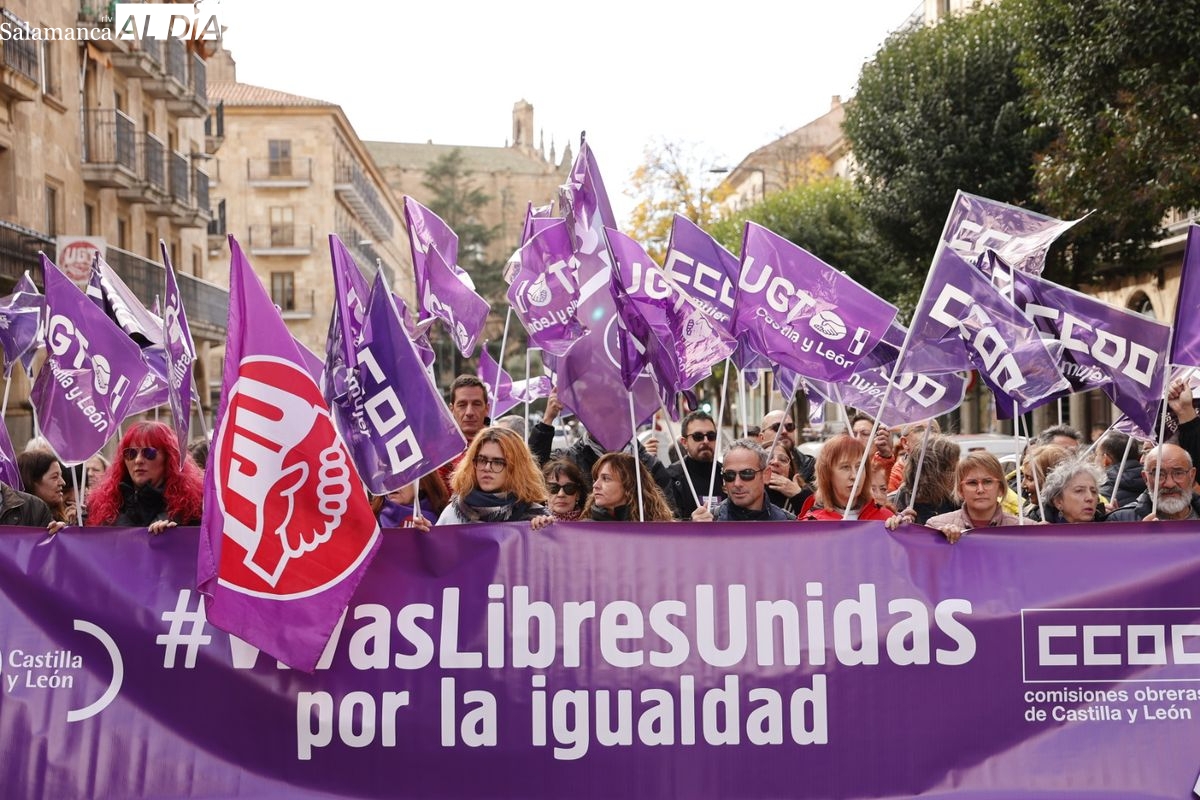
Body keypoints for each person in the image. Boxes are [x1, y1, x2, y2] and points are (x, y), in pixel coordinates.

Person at [87, 422, 205, 533]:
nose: (138, 460)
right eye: (130, 453)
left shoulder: (194, 509)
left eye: (149, 453)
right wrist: (77, 522)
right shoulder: (101, 508)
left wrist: (174, 538)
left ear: (168, 458)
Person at [436, 426, 547, 525]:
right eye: (482, 460)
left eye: (498, 462)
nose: (487, 468)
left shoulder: (536, 518)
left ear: (516, 468)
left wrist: (544, 532)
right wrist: (421, 534)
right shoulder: (453, 513)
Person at [925, 452, 1024, 543]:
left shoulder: (1025, 529)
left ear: (1001, 488)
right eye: (972, 483)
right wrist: (938, 540)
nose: (980, 490)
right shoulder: (935, 526)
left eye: (987, 482)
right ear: (960, 490)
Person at [691, 440, 795, 521]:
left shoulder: (788, 523)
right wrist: (695, 534)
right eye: (729, 475)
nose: (737, 483)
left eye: (747, 474)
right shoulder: (710, 521)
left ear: (766, 475)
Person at [801, 435, 897, 522]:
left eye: (859, 467)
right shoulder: (812, 525)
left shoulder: (885, 519)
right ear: (827, 474)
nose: (854, 476)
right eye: (845, 467)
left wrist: (901, 530)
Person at [1106, 444, 1200, 522]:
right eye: (1159, 475)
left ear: (1192, 475)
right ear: (1145, 478)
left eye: (1178, 473)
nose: (1169, 484)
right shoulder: (1120, 521)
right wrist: (1139, 539)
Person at [664, 411, 724, 519]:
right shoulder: (670, 478)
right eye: (698, 436)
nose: (706, 441)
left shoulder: (728, 475)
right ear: (684, 442)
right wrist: (691, 524)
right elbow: (666, 523)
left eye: (711, 436)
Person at [582, 452, 674, 522]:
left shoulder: (659, 528)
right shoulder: (585, 531)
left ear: (629, 484)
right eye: (595, 479)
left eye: (606, 479)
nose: (595, 485)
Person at [889, 434, 961, 525]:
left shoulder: (960, 502)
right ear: (933, 474)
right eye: (952, 470)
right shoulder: (893, 505)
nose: (957, 475)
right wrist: (899, 526)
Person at [438, 375, 493, 490]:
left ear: (487, 409)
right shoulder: (439, 452)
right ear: (452, 409)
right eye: (462, 405)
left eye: (476, 404)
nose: (469, 412)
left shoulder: (503, 445)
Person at [1039, 457, 1107, 524]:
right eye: (1079, 491)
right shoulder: (1041, 532)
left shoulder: (1109, 531)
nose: (1090, 498)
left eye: (1094, 491)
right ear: (1058, 502)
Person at [757, 409, 815, 483]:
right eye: (777, 427)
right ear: (762, 437)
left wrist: (799, 493)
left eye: (789, 426)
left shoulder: (812, 467)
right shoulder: (751, 464)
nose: (784, 431)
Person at [373, 474, 450, 529]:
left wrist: (432, 538)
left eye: (400, 474)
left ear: (421, 483)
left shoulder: (444, 521)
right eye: (386, 474)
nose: (390, 482)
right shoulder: (372, 521)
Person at [1020, 444, 1071, 521]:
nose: (1022, 485)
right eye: (1023, 476)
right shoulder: (1028, 511)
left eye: (1030, 479)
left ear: (1051, 480)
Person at [17, 450, 70, 524]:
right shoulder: (12, 521)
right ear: (32, 481)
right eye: (55, 477)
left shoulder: (66, 517)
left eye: (61, 476)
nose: (63, 482)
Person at [1095, 431, 1145, 507]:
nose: (1094, 459)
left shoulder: (1100, 496)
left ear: (1106, 460)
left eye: (1096, 454)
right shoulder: (1154, 484)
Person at [764, 442, 812, 516]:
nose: (775, 462)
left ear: (789, 470)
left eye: (783, 460)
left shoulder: (806, 494)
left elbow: (815, 522)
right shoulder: (745, 491)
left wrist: (798, 495)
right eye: (768, 457)